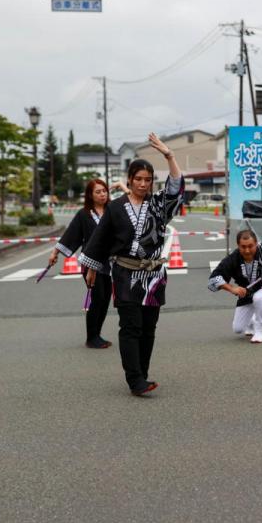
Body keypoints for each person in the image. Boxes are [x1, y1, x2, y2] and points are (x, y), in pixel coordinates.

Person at [80, 135, 183, 397]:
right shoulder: (115, 208)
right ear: (129, 179)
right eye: (138, 179)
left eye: (147, 180)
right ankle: (134, 379)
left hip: (154, 276)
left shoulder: (158, 205)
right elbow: (99, 241)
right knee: (131, 327)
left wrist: (169, 156)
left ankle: (143, 374)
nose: (143, 184)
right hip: (125, 273)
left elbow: (175, 188)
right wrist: (92, 268)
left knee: (149, 328)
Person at [48, 178, 114, 349]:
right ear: (90, 196)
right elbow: (71, 235)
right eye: (98, 192)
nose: (102, 194)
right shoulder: (84, 214)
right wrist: (55, 252)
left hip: (109, 263)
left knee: (106, 299)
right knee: (97, 299)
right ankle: (91, 337)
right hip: (89, 262)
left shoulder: (113, 211)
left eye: (104, 191)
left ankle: (97, 334)